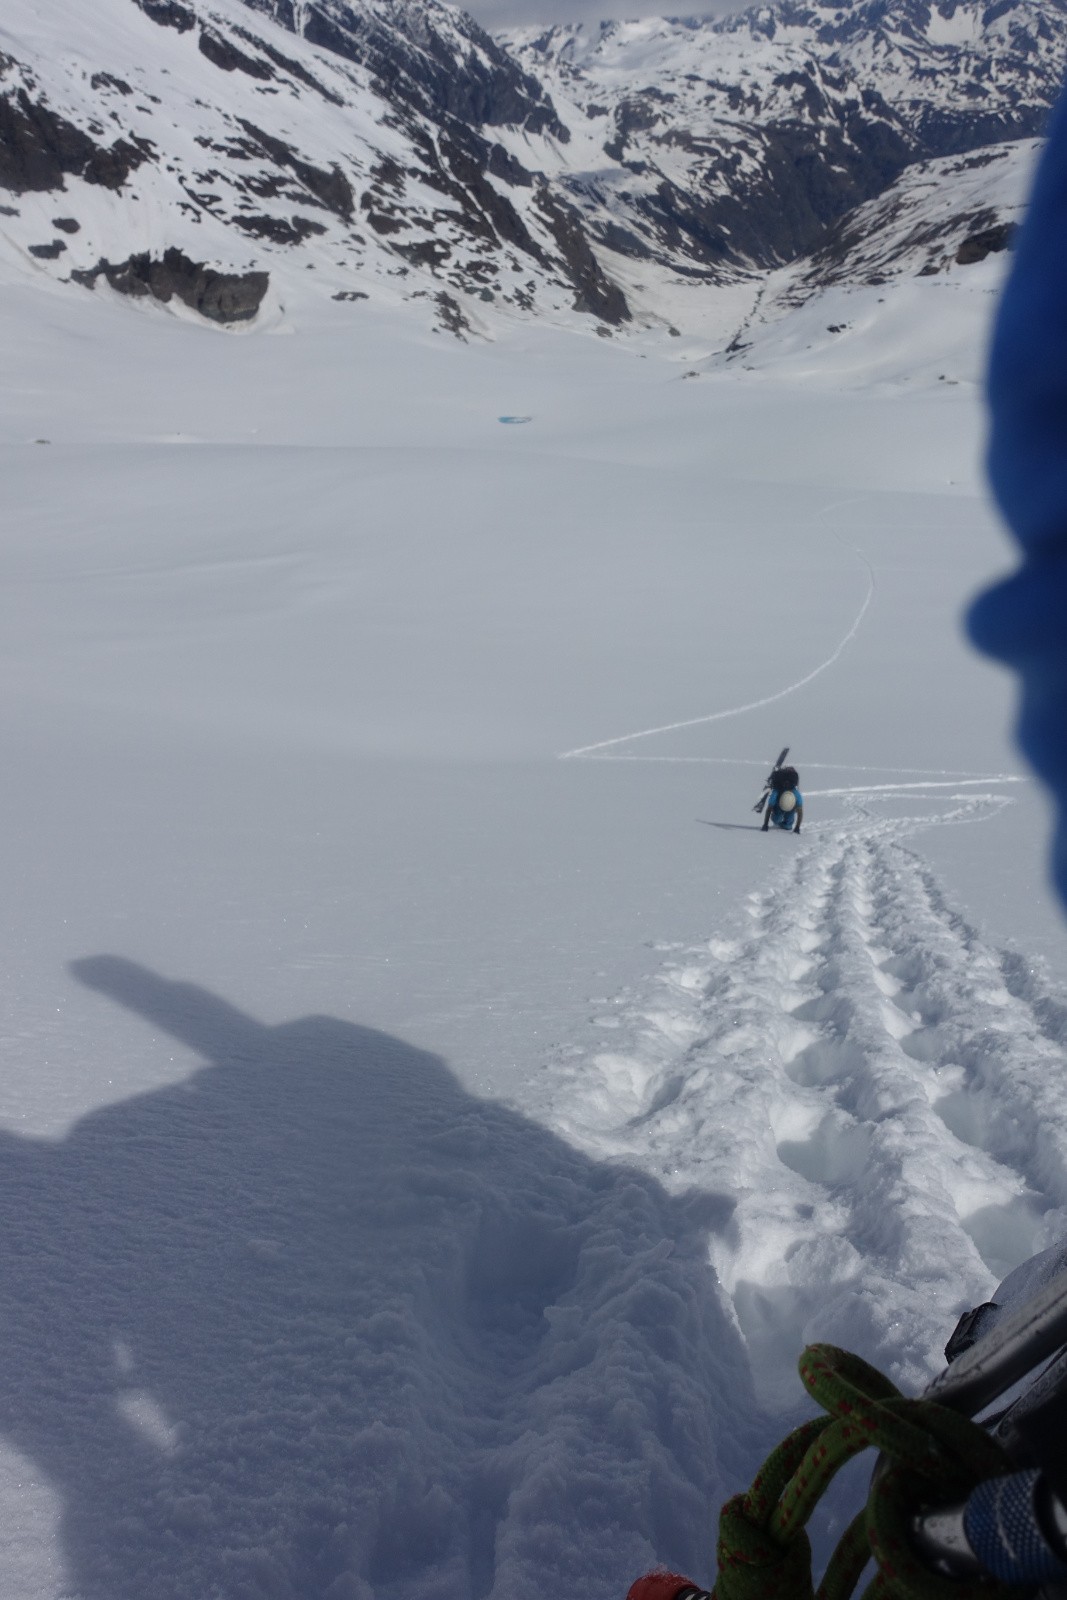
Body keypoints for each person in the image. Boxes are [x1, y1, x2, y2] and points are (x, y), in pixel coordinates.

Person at [760, 765, 802, 834]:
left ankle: (786, 823)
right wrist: (765, 824)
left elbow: (800, 811)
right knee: (776, 820)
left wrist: (797, 827)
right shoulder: (776, 793)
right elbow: (769, 808)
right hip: (778, 805)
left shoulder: (795, 794)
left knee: (788, 826)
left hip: (791, 807)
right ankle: (778, 819)